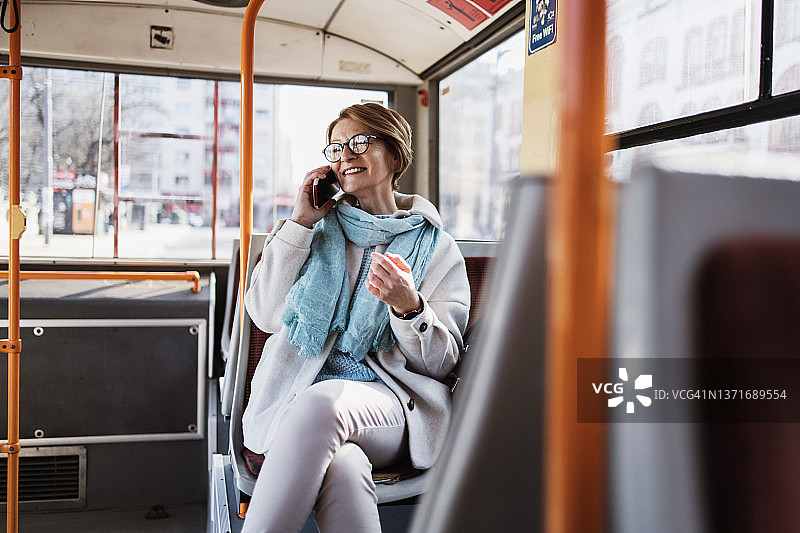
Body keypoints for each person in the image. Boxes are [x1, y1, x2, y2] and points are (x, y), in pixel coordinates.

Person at [240, 103, 470, 533]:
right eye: (337, 147)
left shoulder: (438, 250)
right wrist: (301, 224)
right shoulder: (310, 231)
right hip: (297, 394)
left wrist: (409, 308)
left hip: (392, 403)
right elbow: (266, 315)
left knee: (324, 404)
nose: (346, 155)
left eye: (361, 142)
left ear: (395, 156)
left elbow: (441, 364)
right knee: (344, 466)